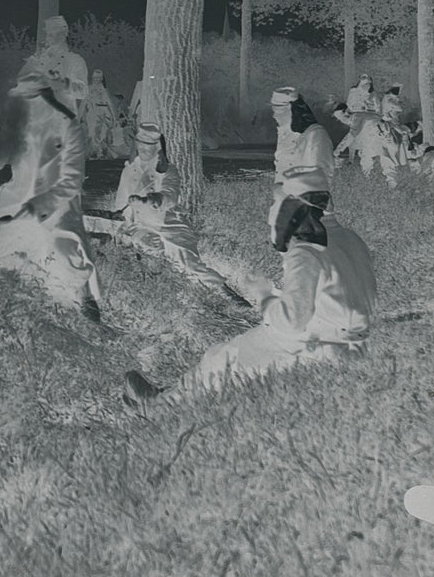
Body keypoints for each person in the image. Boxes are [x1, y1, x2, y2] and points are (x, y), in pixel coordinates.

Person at [124, 166, 374, 405]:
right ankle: (173, 395)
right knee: (233, 353)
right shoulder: (351, 239)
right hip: (355, 347)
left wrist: (265, 297)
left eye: (279, 203)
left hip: (314, 349)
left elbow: (291, 321)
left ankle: (161, 405)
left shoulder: (307, 252)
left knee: (221, 358)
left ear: (295, 207)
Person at [0, 72, 102, 319]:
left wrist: (37, 206)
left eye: (31, 103)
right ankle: (31, 279)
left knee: (64, 253)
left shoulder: (69, 127)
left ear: (45, 100)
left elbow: (72, 181)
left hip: (57, 208)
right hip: (15, 204)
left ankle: (85, 298)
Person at [110, 123, 230, 292]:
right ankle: (163, 285)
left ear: (158, 147)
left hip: (169, 223)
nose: (143, 149)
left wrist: (147, 201)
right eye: (140, 144)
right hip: (141, 225)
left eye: (149, 146)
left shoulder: (167, 171)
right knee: (144, 246)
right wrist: (126, 228)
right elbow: (121, 204)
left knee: (188, 264)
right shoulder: (129, 170)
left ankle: (224, 291)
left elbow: (169, 195)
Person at [18, 15, 89, 118]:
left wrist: (65, 84)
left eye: (53, 32)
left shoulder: (74, 60)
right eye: (47, 33)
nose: (48, 36)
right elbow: (21, 81)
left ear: (64, 34)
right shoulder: (38, 58)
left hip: (62, 120)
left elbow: (83, 92)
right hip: (37, 120)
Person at [330, 103, 407, 188]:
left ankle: (371, 180)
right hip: (383, 136)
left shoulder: (356, 117)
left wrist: (338, 150)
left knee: (372, 159)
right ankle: (383, 181)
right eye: (339, 119)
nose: (342, 120)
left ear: (346, 112)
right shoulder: (363, 114)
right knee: (382, 158)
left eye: (341, 117)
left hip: (379, 136)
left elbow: (351, 135)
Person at [270, 87, 334, 188]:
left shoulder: (316, 135)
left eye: (280, 111)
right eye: (274, 110)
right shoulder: (285, 134)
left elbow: (320, 177)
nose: (275, 115)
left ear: (294, 111)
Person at [85, 69, 128, 159]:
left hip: (104, 113)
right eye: (95, 78)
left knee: (103, 133)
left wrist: (114, 116)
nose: (97, 80)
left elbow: (110, 104)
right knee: (93, 133)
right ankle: (95, 152)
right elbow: (85, 103)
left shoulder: (104, 90)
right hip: (93, 113)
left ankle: (101, 152)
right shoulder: (89, 89)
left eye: (99, 78)